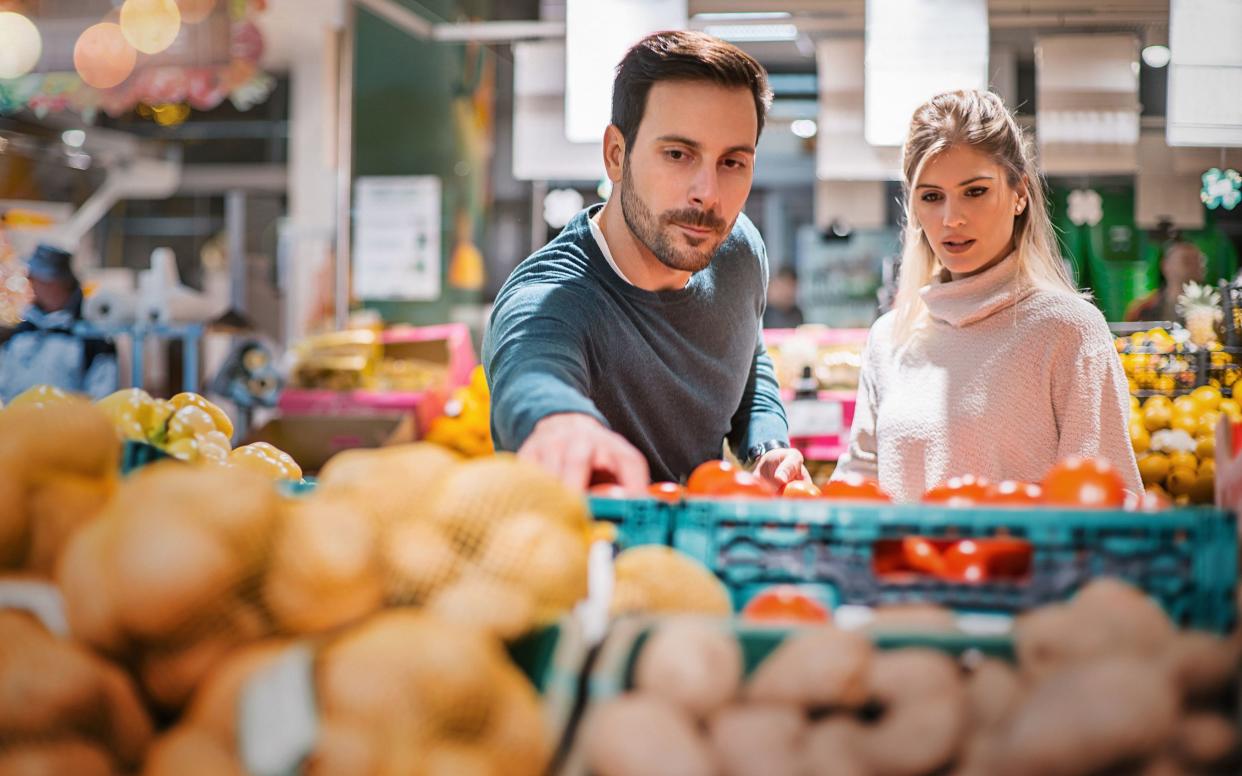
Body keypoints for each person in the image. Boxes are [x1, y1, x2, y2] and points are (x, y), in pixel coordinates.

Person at [484, 31, 807, 492]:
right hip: (586, 556)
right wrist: (560, 421)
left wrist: (767, 447)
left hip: (696, 555)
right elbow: (532, 371)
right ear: (616, 155)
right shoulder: (554, 297)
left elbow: (747, 357)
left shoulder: (737, 249)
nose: (708, 194)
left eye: (732, 162)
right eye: (678, 154)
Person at [833, 90, 1142, 501]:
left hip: (1023, 566)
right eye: (931, 197)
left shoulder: (1068, 331)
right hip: (906, 566)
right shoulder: (890, 339)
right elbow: (859, 489)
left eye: (975, 191)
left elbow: (1105, 502)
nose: (951, 218)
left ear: (1020, 195)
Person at [0, 243, 117, 402]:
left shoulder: (91, 338)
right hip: (19, 423)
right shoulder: (23, 332)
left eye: (38, 278)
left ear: (59, 283)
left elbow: (103, 397)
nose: (31, 283)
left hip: (69, 426)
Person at [1123, 239, 1206, 322]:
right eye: (1186, 261)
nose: (1194, 267)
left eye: (1198, 261)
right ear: (1166, 265)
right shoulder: (1143, 308)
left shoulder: (1212, 310)